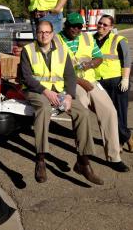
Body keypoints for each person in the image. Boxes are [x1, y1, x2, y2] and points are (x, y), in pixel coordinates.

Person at [20, 20, 103, 185]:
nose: (43, 35)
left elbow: (70, 76)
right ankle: (41, 159)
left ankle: (83, 161)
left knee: (82, 112)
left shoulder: (61, 50)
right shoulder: (27, 50)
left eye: (47, 32)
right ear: (36, 33)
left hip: (59, 91)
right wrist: (45, 91)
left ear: (52, 34)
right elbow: (26, 77)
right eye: (40, 32)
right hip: (36, 91)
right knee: (43, 109)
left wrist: (69, 96)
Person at [58, 13, 130, 172]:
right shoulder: (57, 40)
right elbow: (54, 67)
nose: (76, 29)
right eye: (72, 26)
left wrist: (91, 64)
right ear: (66, 25)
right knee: (81, 112)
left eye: (79, 27)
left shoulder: (88, 38)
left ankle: (114, 157)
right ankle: (83, 158)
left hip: (91, 81)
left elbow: (99, 58)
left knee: (110, 111)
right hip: (71, 83)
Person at [94, 14, 133, 153]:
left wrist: (125, 78)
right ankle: (127, 134)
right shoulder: (91, 39)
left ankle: (118, 142)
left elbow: (127, 59)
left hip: (116, 81)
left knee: (119, 114)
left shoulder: (118, 40)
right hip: (99, 82)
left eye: (105, 24)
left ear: (111, 27)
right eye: (100, 23)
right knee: (107, 114)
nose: (101, 26)